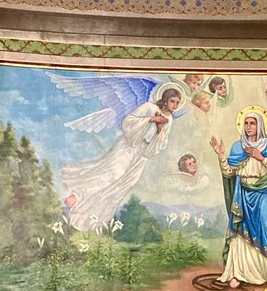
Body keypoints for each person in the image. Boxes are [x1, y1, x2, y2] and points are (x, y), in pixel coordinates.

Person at [61, 85, 183, 231]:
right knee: (113, 173)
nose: (175, 105)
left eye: (177, 103)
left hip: (141, 154)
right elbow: (128, 120)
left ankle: (90, 211)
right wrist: (151, 119)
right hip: (128, 146)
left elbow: (162, 143)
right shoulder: (149, 107)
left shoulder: (169, 119)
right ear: (165, 100)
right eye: (172, 101)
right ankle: (78, 195)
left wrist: (159, 127)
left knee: (124, 184)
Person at [210, 109, 267, 289]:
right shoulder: (238, 147)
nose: (248, 127)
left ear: (260, 125)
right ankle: (239, 272)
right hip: (244, 194)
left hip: (265, 193)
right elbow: (229, 172)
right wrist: (221, 154)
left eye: (252, 123)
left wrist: (260, 157)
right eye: (246, 123)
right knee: (241, 233)